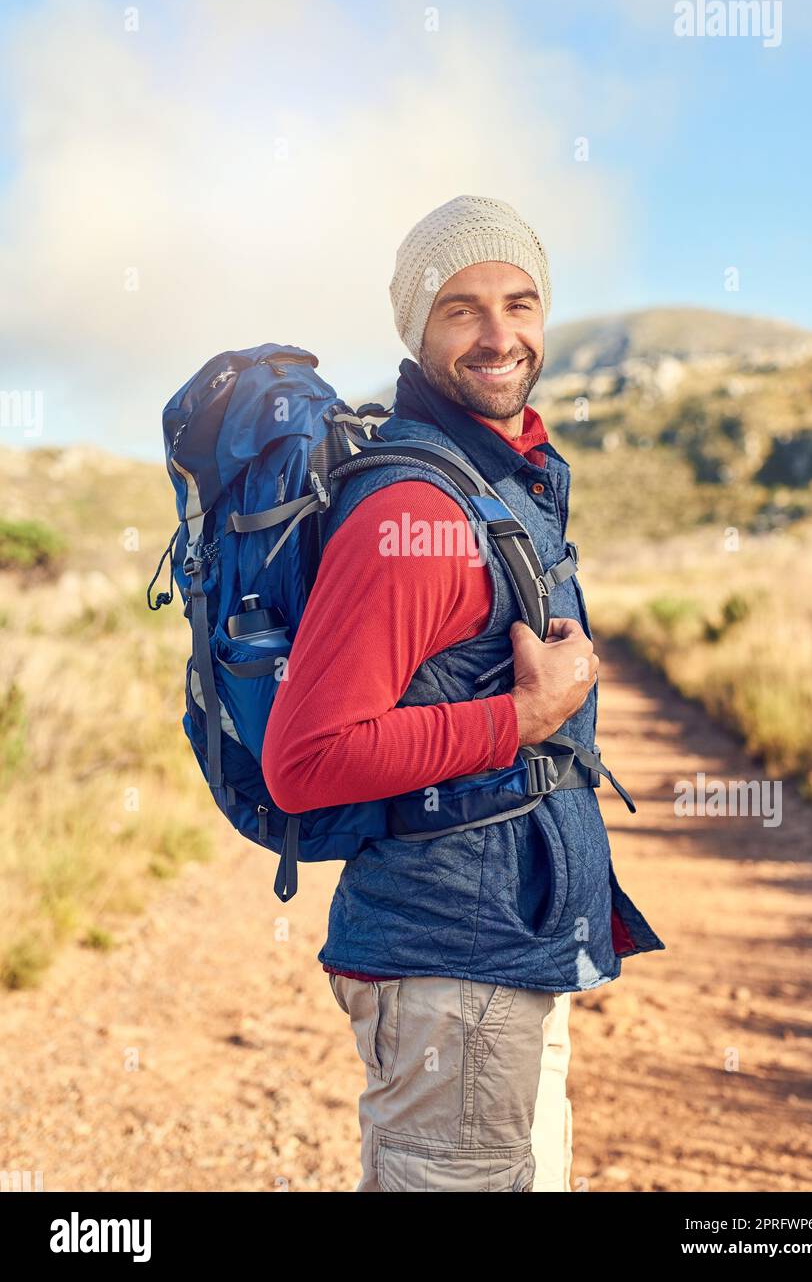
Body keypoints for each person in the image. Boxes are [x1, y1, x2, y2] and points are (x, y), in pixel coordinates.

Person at [262, 194, 665, 1192]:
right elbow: (303, 760)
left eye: (520, 303)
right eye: (461, 308)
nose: (499, 335)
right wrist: (523, 717)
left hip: (509, 951)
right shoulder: (416, 509)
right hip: (451, 962)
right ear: (416, 328)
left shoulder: (498, 481)